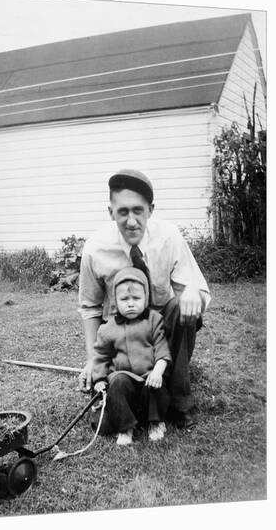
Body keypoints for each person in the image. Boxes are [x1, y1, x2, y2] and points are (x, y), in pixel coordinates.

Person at [78, 168, 211, 428]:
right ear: (110, 212)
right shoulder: (95, 249)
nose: (131, 221)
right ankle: (128, 391)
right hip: (122, 332)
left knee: (178, 305)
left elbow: (199, 289)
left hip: (163, 329)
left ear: (151, 209)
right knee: (110, 403)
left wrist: (192, 291)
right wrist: (93, 361)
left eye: (138, 210)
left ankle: (179, 400)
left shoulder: (169, 236)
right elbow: (91, 308)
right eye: (123, 212)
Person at [92, 266, 172, 445]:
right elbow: (101, 356)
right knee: (118, 382)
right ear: (115, 301)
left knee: (156, 386)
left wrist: (158, 371)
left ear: (146, 298)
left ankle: (156, 422)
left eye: (136, 298)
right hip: (124, 380)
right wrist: (98, 379)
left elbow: (162, 350)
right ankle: (125, 428)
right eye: (124, 299)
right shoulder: (108, 328)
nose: (130, 303)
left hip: (148, 378)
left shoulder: (154, 320)